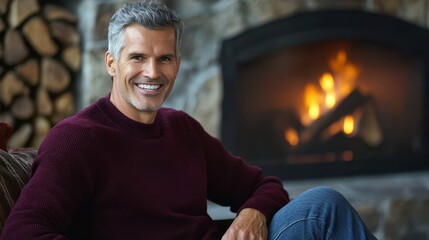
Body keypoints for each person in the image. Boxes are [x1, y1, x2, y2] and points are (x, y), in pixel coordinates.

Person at [1, 1, 377, 239]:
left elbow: (267, 185)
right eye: (137, 58)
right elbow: (23, 232)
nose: (152, 71)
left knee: (324, 205)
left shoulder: (181, 128)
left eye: (164, 58)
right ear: (111, 63)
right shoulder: (76, 139)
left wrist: (252, 214)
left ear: (177, 64)